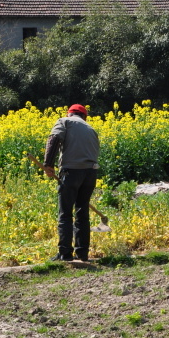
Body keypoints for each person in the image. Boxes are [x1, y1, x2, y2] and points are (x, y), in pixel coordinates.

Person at [42, 103, 100, 262]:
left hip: (71, 172)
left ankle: (65, 254)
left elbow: (54, 139)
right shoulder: (91, 129)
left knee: (65, 213)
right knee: (82, 213)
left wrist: (48, 164)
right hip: (91, 174)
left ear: (69, 114)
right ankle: (82, 253)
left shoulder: (64, 122)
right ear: (84, 116)